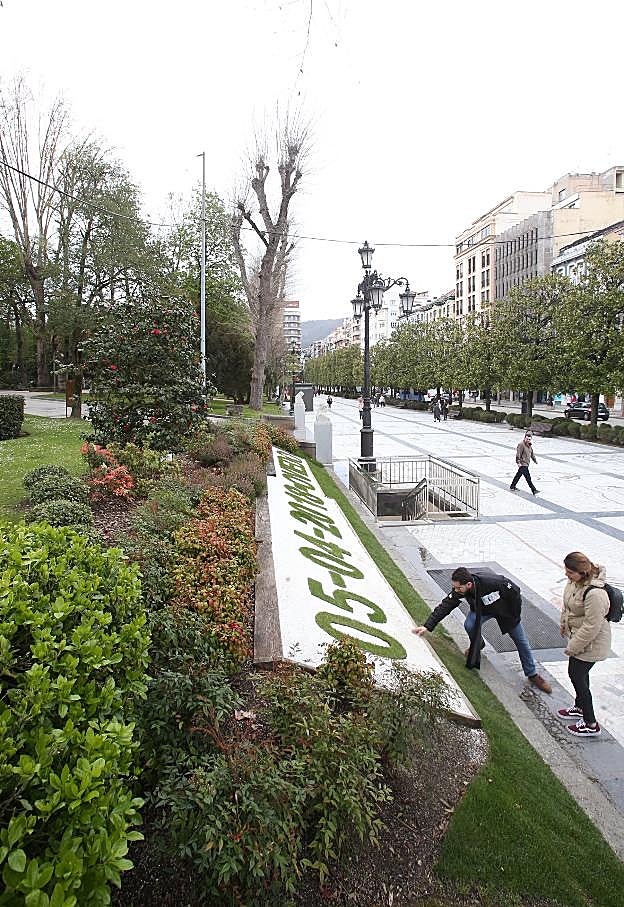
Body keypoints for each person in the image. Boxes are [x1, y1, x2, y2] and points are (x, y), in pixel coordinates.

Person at [412, 566, 552, 692]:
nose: (456, 591)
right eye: (454, 588)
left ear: (469, 584)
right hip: (481, 611)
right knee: (469, 624)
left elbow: (515, 592)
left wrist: (514, 615)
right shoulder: (460, 590)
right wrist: (427, 626)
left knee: (521, 641)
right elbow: (445, 605)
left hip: (505, 612)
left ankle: (532, 674)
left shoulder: (493, 582)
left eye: (458, 588)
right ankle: (478, 643)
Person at [558, 552, 611, 738]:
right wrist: (563, 623)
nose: (566, 575)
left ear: (582, 573)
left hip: (591, 643)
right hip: (578, 637)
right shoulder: (575, 582)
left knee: (577, 675)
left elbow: (592, 626)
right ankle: (580, 707)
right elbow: (568, 604)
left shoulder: (595, 594)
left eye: (570, 572)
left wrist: (573, 647)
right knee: (580, 675)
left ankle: (590, 723)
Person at [510, 431, 539, 495]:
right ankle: (533, 490)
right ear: (524, 438)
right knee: (528, 478)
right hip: (523, 464)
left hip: (526, 463)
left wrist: (535, 460)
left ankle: (512, 486)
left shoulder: (529, 445)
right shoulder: (521, 444)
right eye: (527, 439)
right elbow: (518, 454)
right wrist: (518, 462)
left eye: (529, 439)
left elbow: (532, 453)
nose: (528, 440)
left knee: (518, 475)